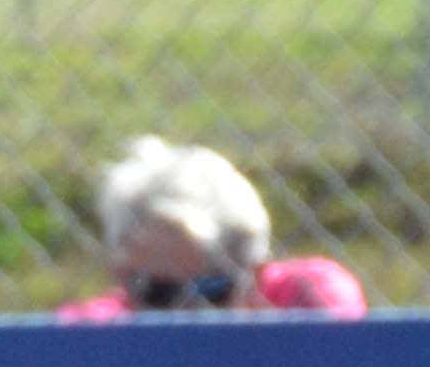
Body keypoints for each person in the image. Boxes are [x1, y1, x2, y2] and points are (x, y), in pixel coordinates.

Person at [57, 135, 366, 321]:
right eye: (159, 294)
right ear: (121, 277)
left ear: (256, 276)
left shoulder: (303, 297)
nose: (187, 317)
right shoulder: (91, 332)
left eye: (213, 291)